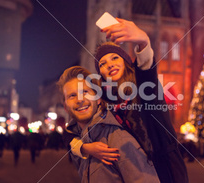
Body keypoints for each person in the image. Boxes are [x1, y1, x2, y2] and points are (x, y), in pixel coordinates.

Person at [64, 18, 188, 183]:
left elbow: (146, 71)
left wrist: (143, 41)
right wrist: (85, 148)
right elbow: (69, 133)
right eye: (102, 63)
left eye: (115, 58)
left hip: (164, 171)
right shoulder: (103, 100)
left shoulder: (144, 89)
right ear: (100, 73)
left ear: (126, 61)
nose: (109, 65)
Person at [58, 66, 160, 183]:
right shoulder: (80, 138)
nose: (80, 99)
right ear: (65, 107)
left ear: (98, 99)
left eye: (85, 92)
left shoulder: (118, 140)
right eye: (72, 96)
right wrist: (83, 148)